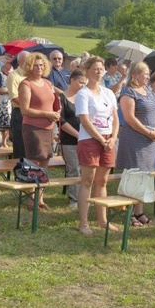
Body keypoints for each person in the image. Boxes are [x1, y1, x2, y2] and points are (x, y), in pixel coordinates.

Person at [76, 56, 119, 236]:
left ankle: (102, 220)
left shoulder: (108, 93)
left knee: (102, 181)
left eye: (101, 69)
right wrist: (101, 139)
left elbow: (116, 118)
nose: (98, 72)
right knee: (88, 180)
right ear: (87, 70)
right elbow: (85, 120)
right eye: (95, 69)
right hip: (89, 140)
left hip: (108, 139)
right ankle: (83, 223)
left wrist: (113, 138)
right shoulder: (83, 93)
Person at [116, 61, 155, 227]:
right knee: (134, 175)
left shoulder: (148, 90)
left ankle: (139, 211)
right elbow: (129, 118)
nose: (148, 76)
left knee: (145, 176)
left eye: (149, 73)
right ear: (135, 74)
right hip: (135, 139)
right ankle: (128, 212)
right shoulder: (128, 92)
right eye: (145, 73)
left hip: (149, 141)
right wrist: (148, 132)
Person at [18, 52, 59, 211]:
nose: (39, 68)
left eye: (42, 65)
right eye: (36, 65)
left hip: (49, 127)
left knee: (45, 163)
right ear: (29, 66)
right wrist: (47, 114)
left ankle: (40, 199)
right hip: (33, 128)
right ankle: (31, 200)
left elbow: (53, 103)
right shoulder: (26, 84)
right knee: (33, 164)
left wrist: (56, 113)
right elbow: (25, 110)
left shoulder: (48, 83)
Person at [59, 68, 85, 208]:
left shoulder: (83, 97)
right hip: (69, 141)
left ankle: (83, 196)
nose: (83, 85)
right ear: (72, 80)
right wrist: (78, 135)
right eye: (80, 82)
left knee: (84, 169)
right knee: (74, 169)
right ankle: (74, 199)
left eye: (84, 83)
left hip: (84, 140)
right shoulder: (61, 98)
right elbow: (61, 122)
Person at [5, 50, 30, 159]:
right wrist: (32, 106)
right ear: (19, 62)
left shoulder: (33, 75)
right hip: (20, 113)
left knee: (30, 147)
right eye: (26, 61)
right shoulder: (13, 76)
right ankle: (21, 173)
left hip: (32, 113)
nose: (29, 63)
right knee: (21, 147)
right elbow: (14, 97)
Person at [0, 55, 13, 147]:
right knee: (0, 123)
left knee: (9, 122)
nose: (11, 65)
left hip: (10, 101)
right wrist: (10, 90)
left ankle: (5, 142)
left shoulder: (11, 74)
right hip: (1, 102)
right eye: (9, 63)